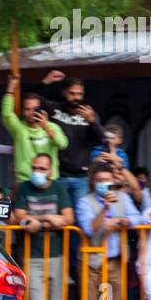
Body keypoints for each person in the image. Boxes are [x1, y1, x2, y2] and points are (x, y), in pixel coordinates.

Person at [76, 164, 142, 300]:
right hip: (91, 263)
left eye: (107, 179)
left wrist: (123, 221)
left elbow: (139, 218)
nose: (105, 183)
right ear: (93, 182)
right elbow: (89, 228)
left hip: (112, 263)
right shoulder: (84, 202)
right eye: (100, 180)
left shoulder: (122, 198)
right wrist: (105, 209)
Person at [12, 153, 73, 300]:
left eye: (42, 168)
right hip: (33, 255)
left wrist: (39, 220)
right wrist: (49, 219)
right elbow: (19, 216)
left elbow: (68, 218)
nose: (38, 172)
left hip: (56, 255)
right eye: (35, 167)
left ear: (50, 170)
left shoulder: (59, 188)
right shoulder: (25, 188)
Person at [37, 71, 104, 204]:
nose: (76, 97)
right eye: (72, 93)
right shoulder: (55, 109)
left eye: (79, 94)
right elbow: (32, 100)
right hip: (58, 174)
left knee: (80, 216)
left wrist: (92, 121)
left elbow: (102, 140)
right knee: (61, 216)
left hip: (82, 177)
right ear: (64, 93)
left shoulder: (90, 114)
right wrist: (46, 81)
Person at [1, 75, 69, 184]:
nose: (31, 113)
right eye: (27, 109)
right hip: (24, 181)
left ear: (41, 109)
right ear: (23, 111)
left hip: (49, 181)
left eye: (34, 109)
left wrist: (45, 126)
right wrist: (10, 88)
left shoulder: (53, 126)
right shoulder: (19, 129)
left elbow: (62, 144)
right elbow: (6, 114)